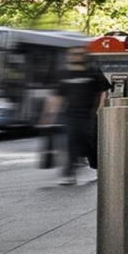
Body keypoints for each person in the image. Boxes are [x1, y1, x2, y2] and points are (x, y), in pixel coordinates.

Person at [44, 48, 110, 185]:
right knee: (71, 141)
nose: (75, 57)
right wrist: (49, 115)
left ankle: (97, 166)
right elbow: (58, 96)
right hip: (71, 115)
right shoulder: (64, 74)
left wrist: (100, 109)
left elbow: (104, 90)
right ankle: (69, 173)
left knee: (90, 143)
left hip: (90, 114)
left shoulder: (92, 71)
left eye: (79, 54)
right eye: (73, 54)